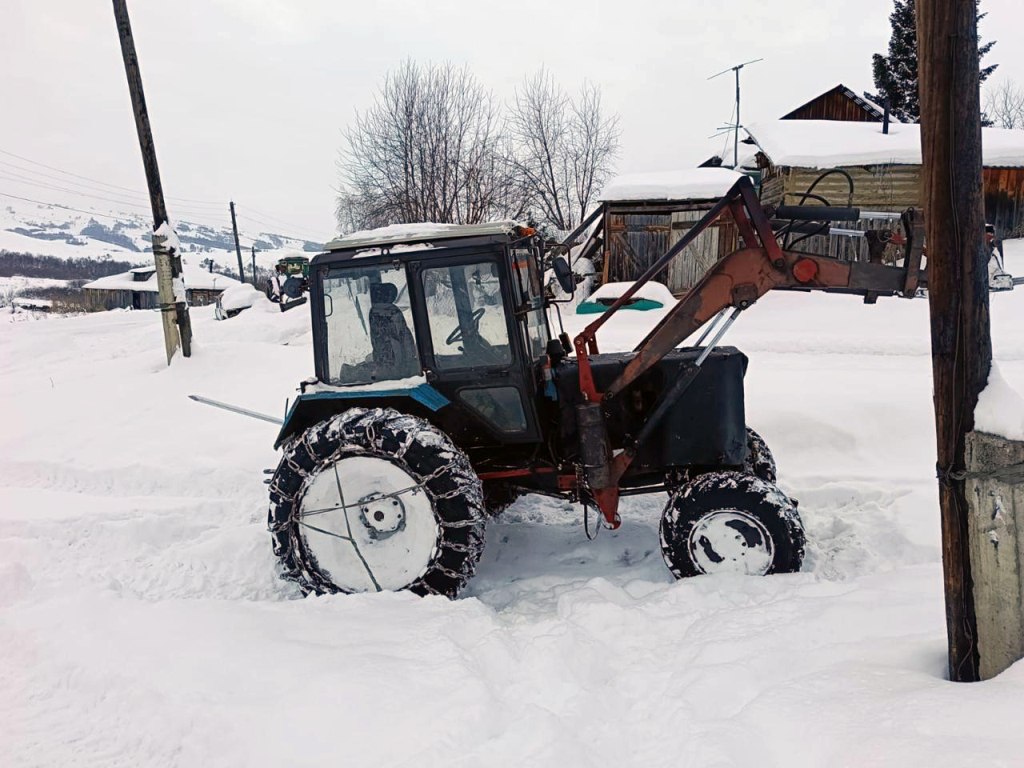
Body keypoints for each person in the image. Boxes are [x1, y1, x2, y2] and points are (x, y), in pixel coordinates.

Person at [368, 282, 419, 378]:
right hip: (396, 363)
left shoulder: (374, 312)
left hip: (384, 362)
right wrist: (409, 361)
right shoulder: (392, 312)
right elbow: (403, 337)